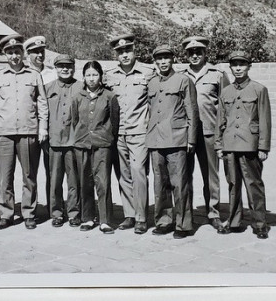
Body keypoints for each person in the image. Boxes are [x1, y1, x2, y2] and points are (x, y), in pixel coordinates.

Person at [0, 34, 49, 230]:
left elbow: (42, 103)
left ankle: (29, 213)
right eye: (10, 53)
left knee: (29, 175)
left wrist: (43, 127)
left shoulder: (34, 75)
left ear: (22, 54)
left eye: (17, 52)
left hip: (28, 131)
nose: (14, 56)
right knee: (5, 177)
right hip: (4, 132)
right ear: (5, 54)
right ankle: (6, 214)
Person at [215, 50, 272, 239]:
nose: (238, 68)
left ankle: (260, 224)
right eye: (234, 65)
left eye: (242, 64)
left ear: (249, 66)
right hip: (230, 145)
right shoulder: (226, 92)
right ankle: (234, 221)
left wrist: (263, 147)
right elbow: (220, 120)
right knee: (233, 185)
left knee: (254, 184)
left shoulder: (259, 89)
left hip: (250, 145)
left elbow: (264, 119)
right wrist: (218, 145)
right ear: (230, 67)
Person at [104, 33, 155, 234]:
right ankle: (129, 214)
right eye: (120, 52)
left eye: (127, 50)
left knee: (138, 173)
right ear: (116, 55)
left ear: (134, 51)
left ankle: (142, 217)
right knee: (123, 175)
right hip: (118, 133)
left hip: (139, 132)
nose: (124, 55)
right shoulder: (109, 75)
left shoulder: (148, 72)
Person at [147, 45, 199, 239]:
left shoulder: (183, 80)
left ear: (173, 60)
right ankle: (163, 221)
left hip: (177, 139)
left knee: (179, 184)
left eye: (166, 58)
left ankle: (183, 224)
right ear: (155, 61)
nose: (162, 62)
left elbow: (192, 111)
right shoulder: (151, 83)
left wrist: (191, 139)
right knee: (160, 184)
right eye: (159, 59)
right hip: (155, 139)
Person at [179, 36, 230, 231]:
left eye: (198, 52)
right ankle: (187, 213)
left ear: (205, 53)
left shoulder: (217, 74)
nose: (194, 55)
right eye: (191, 53)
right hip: (186, 134)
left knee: (211, 175)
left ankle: (213, 213)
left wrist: (222, 132)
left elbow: (226, 104)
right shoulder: (181, 74)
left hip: (209, 132)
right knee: (185, 175)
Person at [72, 61, 120, 234]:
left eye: (94, 75)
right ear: (83, 77)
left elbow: (114, 121)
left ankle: (105, 220)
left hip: (103, 144)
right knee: (85, 181)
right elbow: (75, 120)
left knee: (103, 182)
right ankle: (87, 218)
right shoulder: (78, 97)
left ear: (100, 76)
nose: (91, 79)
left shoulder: (109, 96)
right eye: (88, 75)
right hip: (82, 144)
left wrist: (106, 137)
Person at [44, 54, 82, 227]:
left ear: (73, 68)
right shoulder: (47, 88)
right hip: (54, 141)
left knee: (74, 179)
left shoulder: (81, 88)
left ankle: (74, 212)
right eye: (61, 66)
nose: (65, 69)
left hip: (74, 141)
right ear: (55, 68)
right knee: (55, 179)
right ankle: (57, 212)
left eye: (68, 66)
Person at [24, 35, 54, 212]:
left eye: (41, 51)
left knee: (52, 170)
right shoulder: (24, 73)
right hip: (30, 128)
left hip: (50, 128)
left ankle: (53, 208)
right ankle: (31, 210)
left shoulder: (52, 73)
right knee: (30, 172)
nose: (39, 56)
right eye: (35, 52)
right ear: (28, 54)